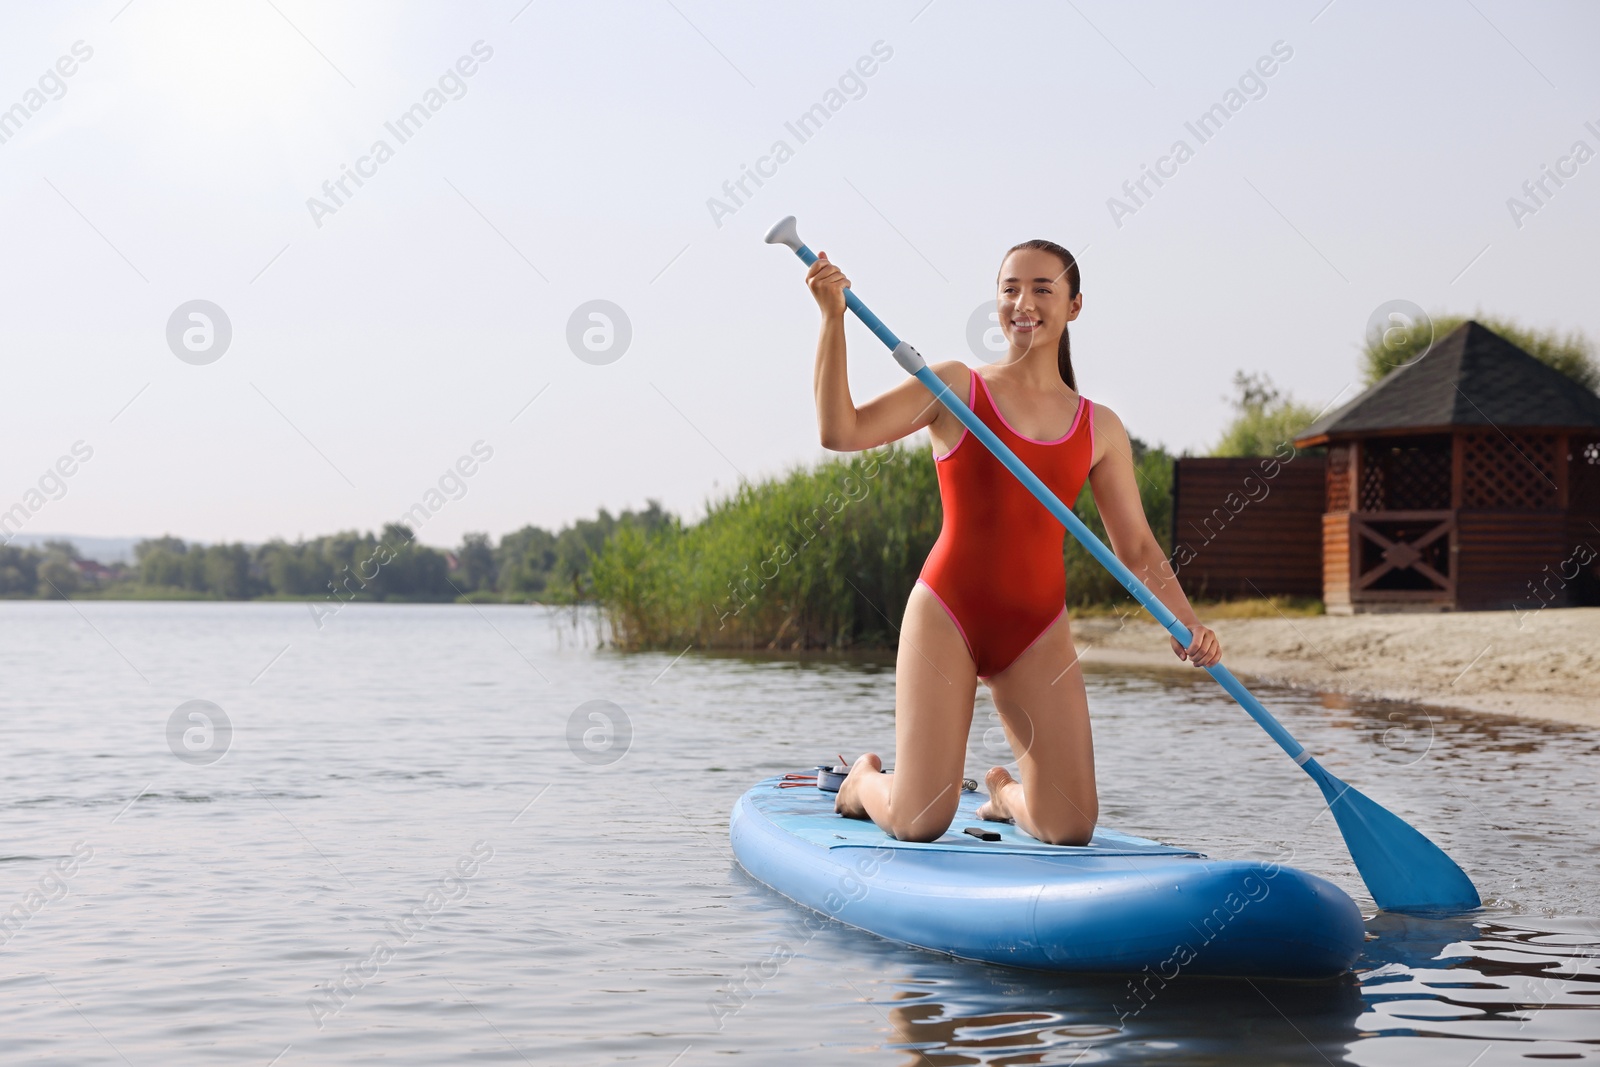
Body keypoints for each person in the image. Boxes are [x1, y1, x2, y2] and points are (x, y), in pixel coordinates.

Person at [807, 239, 1221, 846]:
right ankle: (863, 782)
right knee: (920, 821)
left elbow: (1135, 547)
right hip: (948, 612)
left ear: (1075, 306)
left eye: (1043, 289)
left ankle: (1003, 793)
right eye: (1010, 289)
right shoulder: (952, 386)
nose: (1023, 303)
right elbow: (839, 431)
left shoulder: (1098, 425)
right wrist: (833, 319)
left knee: (1071, 827)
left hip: (1036, 629)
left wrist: (1186, 626)